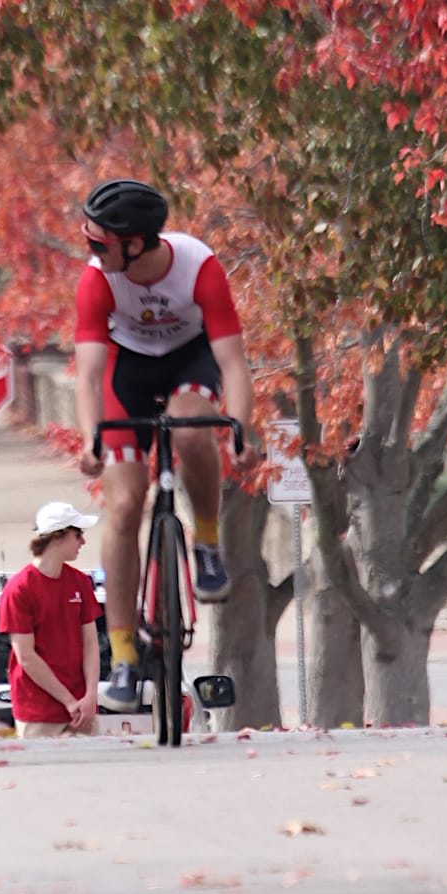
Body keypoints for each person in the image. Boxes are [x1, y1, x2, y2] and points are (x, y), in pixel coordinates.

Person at [72, 179, 256, 711]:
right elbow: (89, 376)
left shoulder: (198, 267)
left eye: (100, 243)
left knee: (191, 428)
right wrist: (90, 440)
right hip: (125, 371)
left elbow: (233, 363)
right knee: (125, 505)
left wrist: (240, 429)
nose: (92, 252)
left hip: (189, 359)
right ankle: (124, 655)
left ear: (135, 243)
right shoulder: (97, 280)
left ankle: (207, 542)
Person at [0, 503, 102, 738]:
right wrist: (68, 701)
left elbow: (91, 644)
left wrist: (90, 696)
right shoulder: (19, 589)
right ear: (57, 537)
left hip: (82, 710)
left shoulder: (80, 583)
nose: (83, 542)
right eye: (78, 534)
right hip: (39, 712)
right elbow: (26, 656)